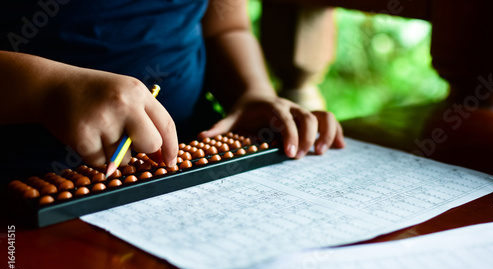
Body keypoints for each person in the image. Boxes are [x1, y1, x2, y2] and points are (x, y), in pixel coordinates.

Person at [0, 0, 344, 182]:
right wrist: (46, 89)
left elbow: (226, 25)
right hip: (29, 179)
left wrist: (253, 90)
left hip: (192, 157)